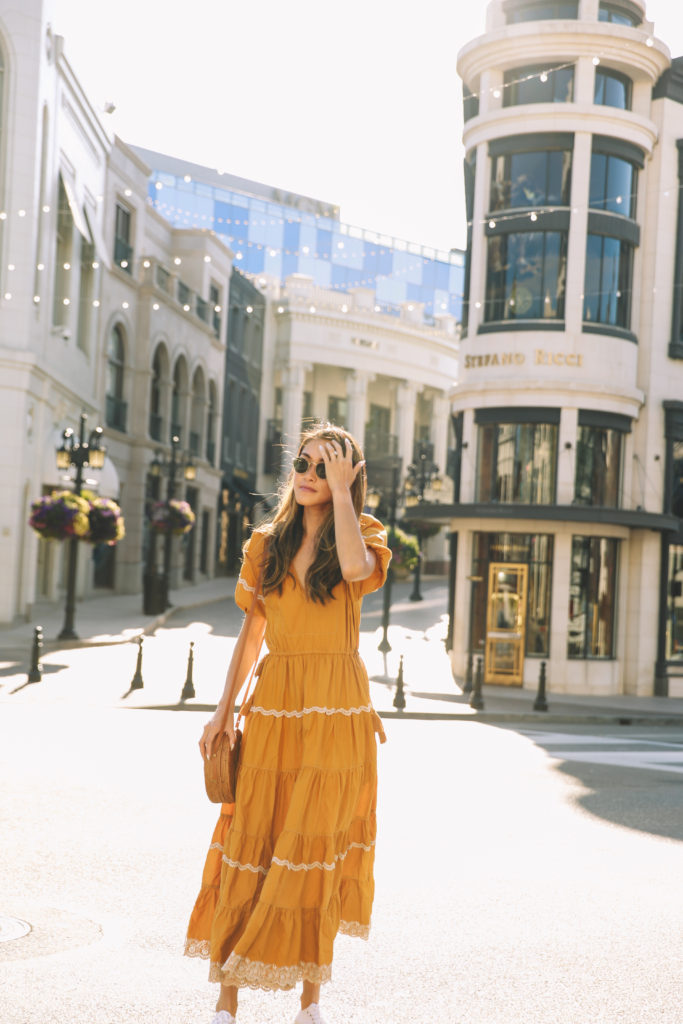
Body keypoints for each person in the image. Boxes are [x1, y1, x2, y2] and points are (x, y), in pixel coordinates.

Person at [185, 423, 391, 1024]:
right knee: (254, 836)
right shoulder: (265, 544)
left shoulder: (365, 537)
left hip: (337, 710)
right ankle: (227, 1000)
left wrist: (346, 496)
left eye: (325, 468)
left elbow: (354, 571)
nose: (308, 475)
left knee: (315, 849)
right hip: (274, 704)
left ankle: (310, 1002)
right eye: (304, 462)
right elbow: (251, 636)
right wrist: (222, 711)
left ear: (348, 479)